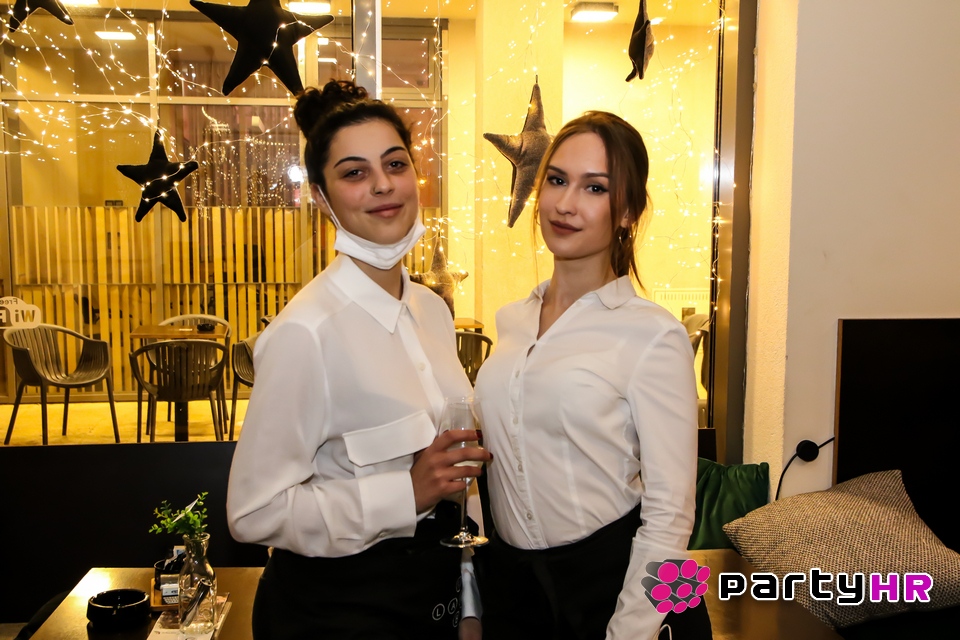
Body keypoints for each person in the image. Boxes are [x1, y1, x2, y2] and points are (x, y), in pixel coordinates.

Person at [227, 79, 490, 640]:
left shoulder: (432, 311)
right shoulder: (305, 333)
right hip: (335, 611)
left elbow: (456, 478)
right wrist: (405, 494)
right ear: (321, 198)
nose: (382, 184)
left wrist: (469, 603)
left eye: (395, 164)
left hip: (433, 602)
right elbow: (253, 514)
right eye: (354, 173)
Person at [473, 111, 711, 640]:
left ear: (626, 211)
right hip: (516, 592)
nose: (566, 203)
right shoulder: (512, 322)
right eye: (557, 180)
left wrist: (628, 632)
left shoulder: (653, 335)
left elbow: (671, 513)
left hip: (619, 588)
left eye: (594, 188)